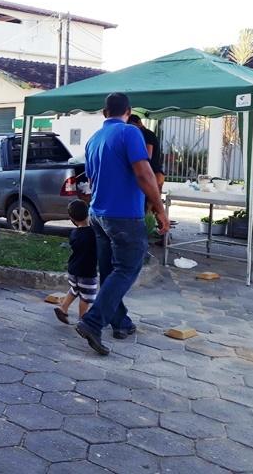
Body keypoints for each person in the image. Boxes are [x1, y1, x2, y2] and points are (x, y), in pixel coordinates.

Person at [75, 93, 169, 356]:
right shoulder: (130, 133)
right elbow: (143, 172)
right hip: (124, 216)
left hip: (98, 215)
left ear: (105, 113)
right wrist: (159, 209)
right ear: (128, 111)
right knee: (127, 268)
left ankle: (120, 323)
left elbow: (91, 180)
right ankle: (93, 322)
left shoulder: (94, 140)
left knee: (109, 271)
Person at [54, 200, 98, 325]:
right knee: (87, 297)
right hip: (87, 272)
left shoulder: (74, 234)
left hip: (73, 270)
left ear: (71, 218)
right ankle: (82, 319)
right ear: (88, 213)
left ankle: (63, 308)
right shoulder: (93, 233)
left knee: (75, 289)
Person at [127, 114, 165, 193]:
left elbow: (147, 156)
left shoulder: (147, 134)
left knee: (150, 203)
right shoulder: (142, 134)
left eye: (132, 125)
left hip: (154, 174)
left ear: (139, 123)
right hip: (154, 174)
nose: (131, 129)